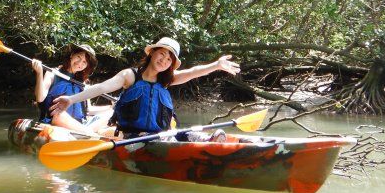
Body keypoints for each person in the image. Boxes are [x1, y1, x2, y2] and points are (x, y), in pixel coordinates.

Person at [50, 36, 240, 139]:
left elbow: (193, 72)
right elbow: (100, 88)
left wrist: (216, 65)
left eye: (169, 59)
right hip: (132, 137)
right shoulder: (130, 76)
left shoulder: (166, 80)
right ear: (152, 53)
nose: (164, 60)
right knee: (159, 138)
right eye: (162, 54)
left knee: (187, 134)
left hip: (159, 136)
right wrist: (71, 99)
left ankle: (211, 141)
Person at [32, 43, 113, 134]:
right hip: (58, 120)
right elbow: (40, 98)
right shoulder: (53, 73)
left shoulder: (83, 83)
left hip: (80, 124)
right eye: (79, 57)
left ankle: (89, 133)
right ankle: (91, 133)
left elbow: (88, 110)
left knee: (111, 113)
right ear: (72, 55)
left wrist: (112, 107)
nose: (80, 63)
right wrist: (39, 73)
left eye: (84, 62)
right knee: (60, 114)